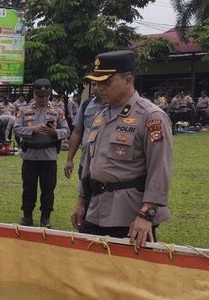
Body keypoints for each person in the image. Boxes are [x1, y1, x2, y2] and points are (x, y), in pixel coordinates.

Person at [72, 50, 173, 247]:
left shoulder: (151, 117)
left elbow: (159, 171)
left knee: (127, 273)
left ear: (127, 80)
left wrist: (146, 215)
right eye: (97, 83)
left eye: (106, 83)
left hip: (129, 213)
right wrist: (82, 200)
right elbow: (90, 164)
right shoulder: (100, 116)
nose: (98, 88)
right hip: (95, 209)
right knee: (87, 267)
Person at [13, 78, 70, 228]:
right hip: (30, 156)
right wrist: (32, 130)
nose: (43, 99)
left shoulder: (57, 111)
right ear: (34, 94)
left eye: (46, 96)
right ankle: (27, 216)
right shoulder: (24, 110)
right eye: (40, 96)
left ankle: (46, 217)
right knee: (28, 188)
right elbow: (16, 129)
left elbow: (67, 130)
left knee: (48, 189)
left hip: (49, 156)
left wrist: (54, 131)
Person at [64, 83, 103, 181]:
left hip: (106, 164)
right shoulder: (87, 104)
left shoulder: (117, 105)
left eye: (99, 84)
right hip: (86, 161)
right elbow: (77, 132)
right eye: (93, 84)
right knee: (84, 193)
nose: (95, 88)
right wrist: (69, 159)